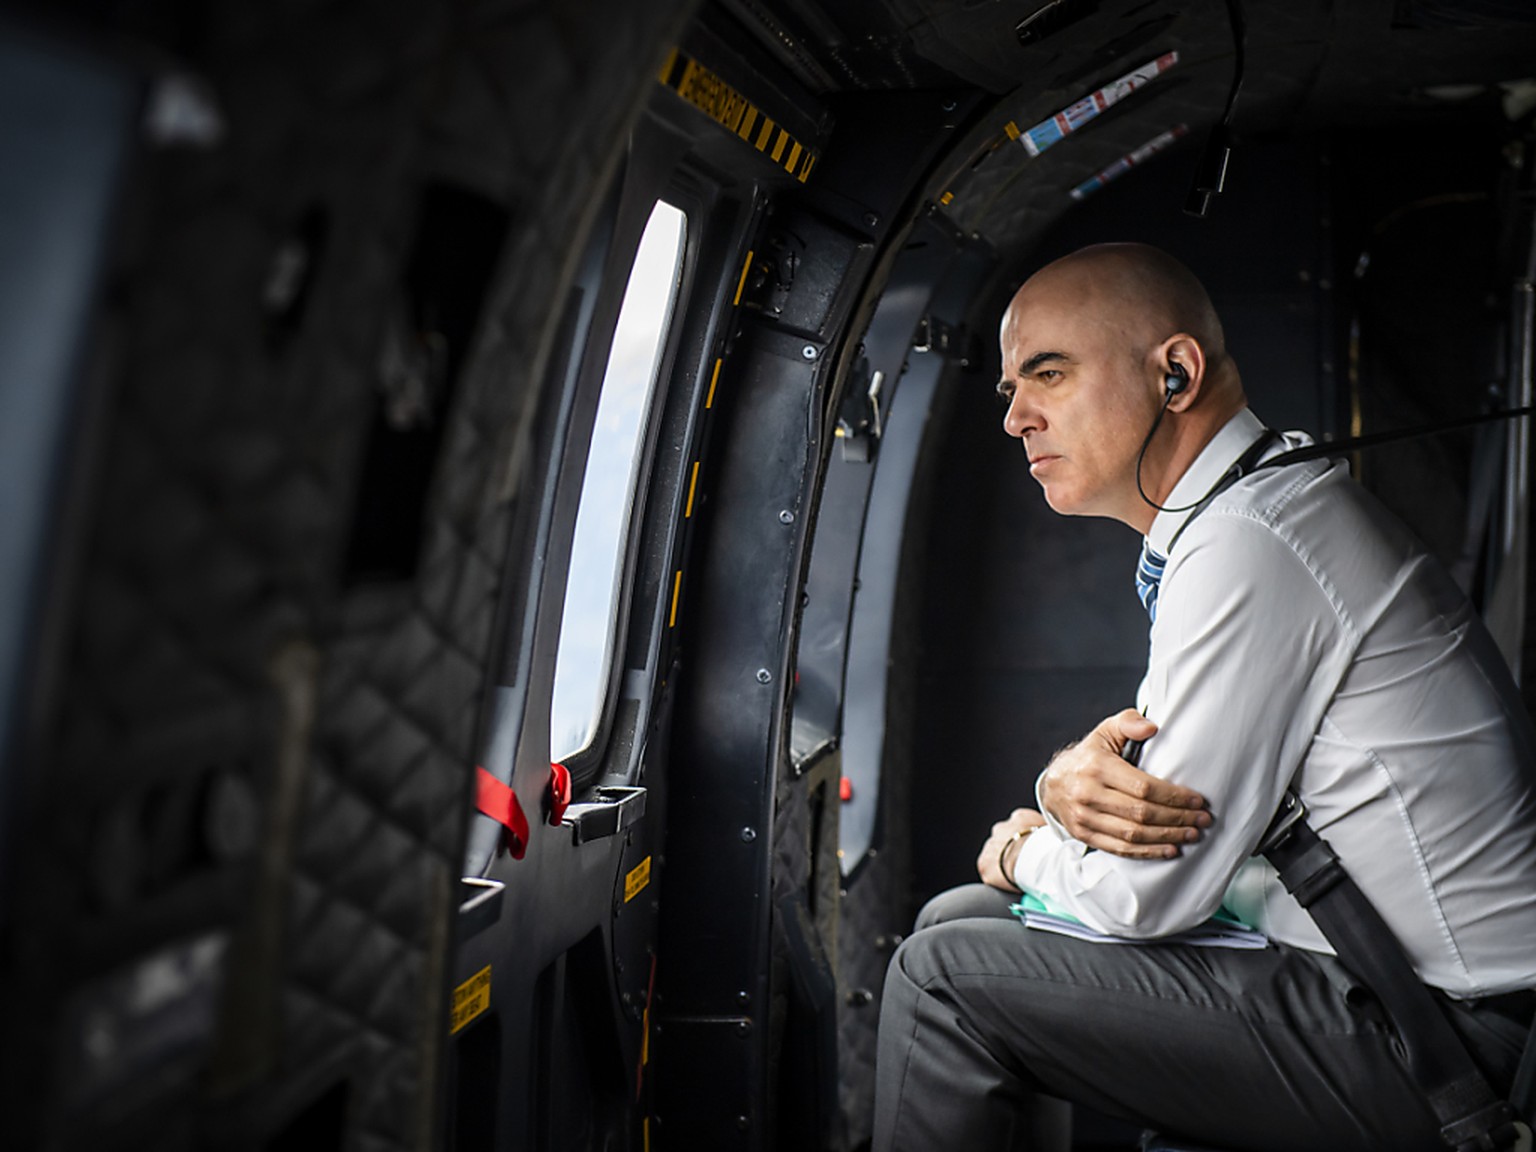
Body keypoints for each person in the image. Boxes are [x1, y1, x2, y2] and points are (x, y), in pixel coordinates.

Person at [872, 243, 1536, 1151]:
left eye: (1049, 374)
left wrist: (1023, 849)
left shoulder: (1249, 543)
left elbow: (1153, 897)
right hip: (1389, 985)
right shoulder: (1255, 508)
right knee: (962, 922)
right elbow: (1156, 811)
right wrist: (1063, 790)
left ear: (1175, 374)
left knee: (941, 974)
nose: (1017, 418)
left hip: (1455, 1038)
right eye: (1010, 390)